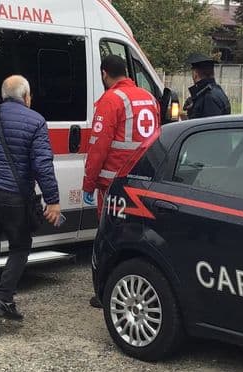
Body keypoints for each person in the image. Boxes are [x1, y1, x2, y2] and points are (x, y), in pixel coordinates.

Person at [0, 75, 62, 331]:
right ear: (27, 97)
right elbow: (42, 164)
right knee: (20, 246)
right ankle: (4, 298)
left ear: (3, 96)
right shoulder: (37, 121)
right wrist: (52, 200)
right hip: (14, 196)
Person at [82, 55, 161, 308]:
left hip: (114, 184)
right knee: (139, 237)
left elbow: (98, 147)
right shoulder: (149, 97)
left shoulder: (111, 100)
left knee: (110, 238)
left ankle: (105, 291)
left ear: (104, 74)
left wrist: (88, 183)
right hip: (145, 181)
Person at [183, 53, 231, 119]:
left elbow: (209, 126)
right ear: (213, 73)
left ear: (195, 74)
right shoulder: (217, 91)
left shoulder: (208, 97)